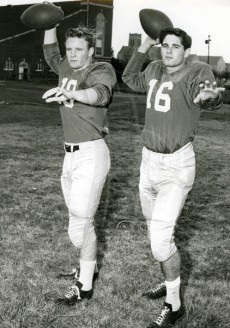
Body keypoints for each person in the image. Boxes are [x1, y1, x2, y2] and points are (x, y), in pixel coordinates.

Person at [122, 27, 224, 327]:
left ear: (186, 50)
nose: (168, 51)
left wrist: (209, 97)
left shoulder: (197, 70)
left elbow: (208, 96)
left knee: (159, 241)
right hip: (148, 161)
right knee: (156, 232)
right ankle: (169, 282)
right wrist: (143, 47)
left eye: (175, 46)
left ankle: (174, 304)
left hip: (176, 165)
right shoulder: (154, 67)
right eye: (164, 45)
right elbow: (128, 79)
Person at [42, 26, 117, 305]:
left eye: (79, 50)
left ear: (91, 51)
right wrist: (50, 23)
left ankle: (84, 286)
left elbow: (100, 94)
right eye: (70, 48)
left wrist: (73, 95)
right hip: (70, 155)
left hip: (91, 153)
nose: (72, 54)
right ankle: (88, 269)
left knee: (78, 227)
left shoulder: (100, 69)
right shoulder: (65, 64)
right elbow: (50, 52)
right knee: (81, 220)